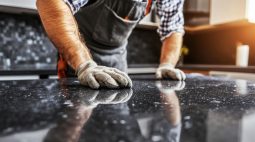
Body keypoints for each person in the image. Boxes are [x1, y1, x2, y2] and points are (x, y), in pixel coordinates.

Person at [36, 0, 186, 89]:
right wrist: (85, 65)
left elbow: (173, 27)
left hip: (118, 59)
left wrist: (167, 64)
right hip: (77, 60)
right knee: (77, 123)